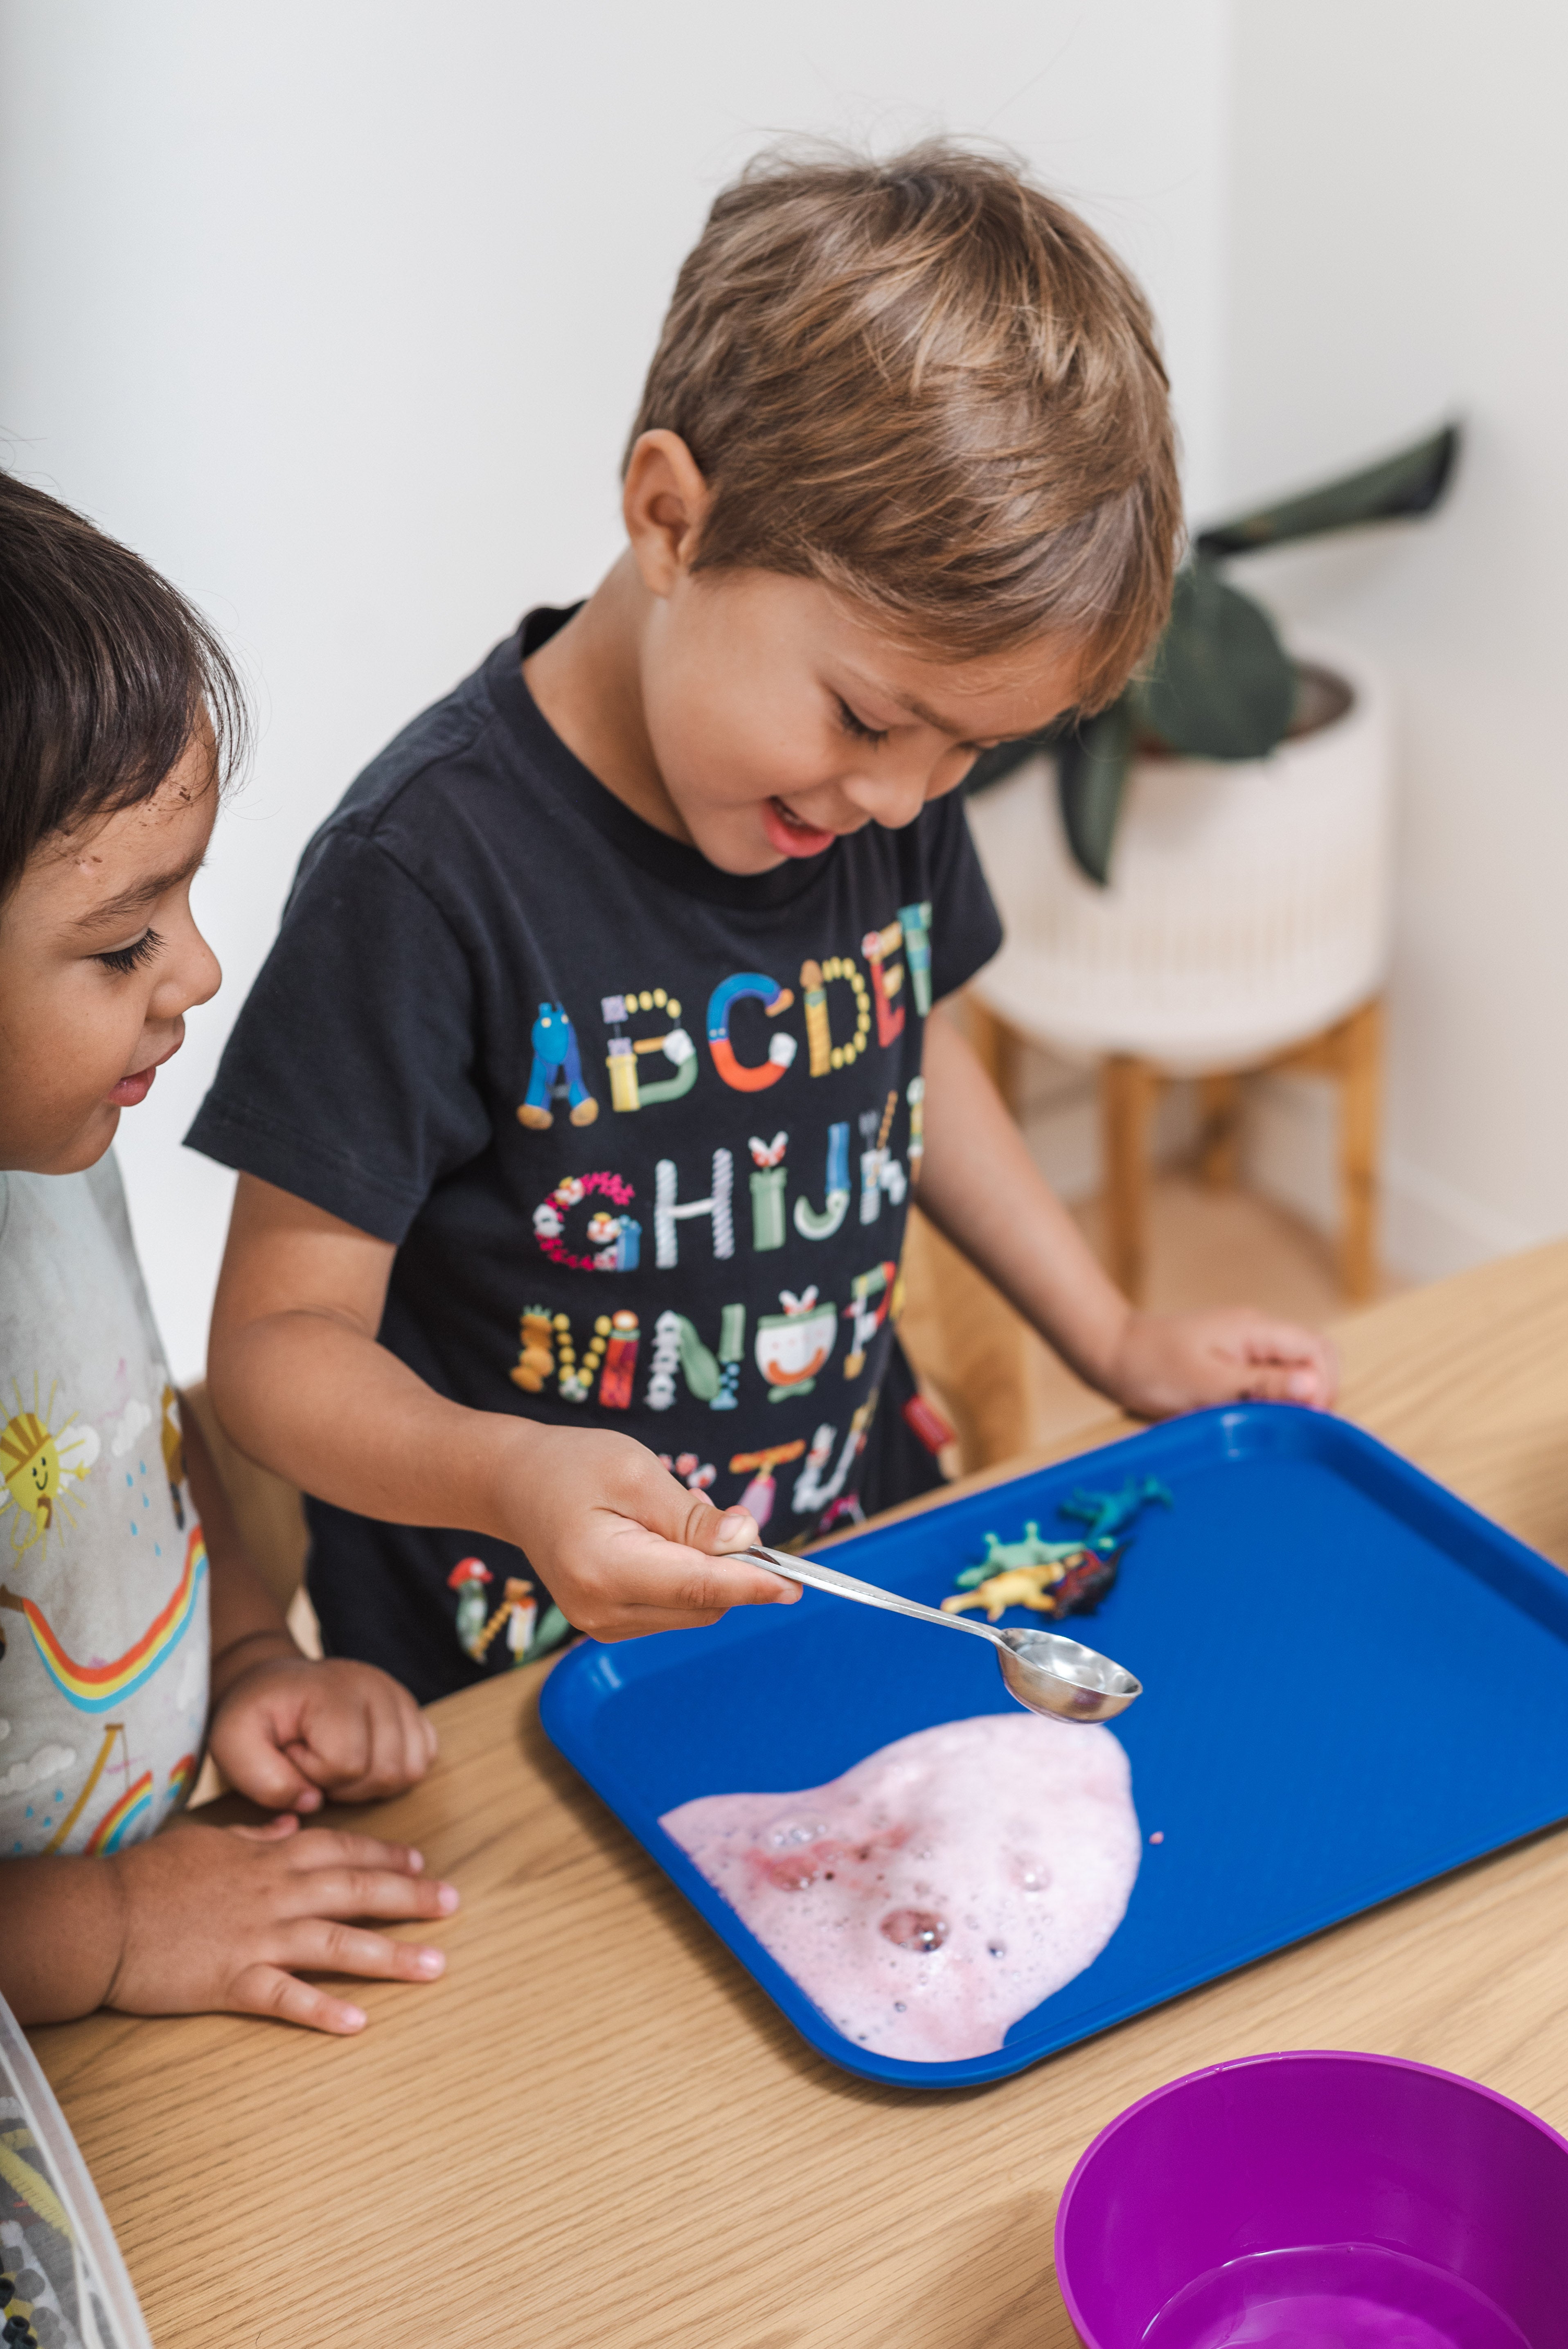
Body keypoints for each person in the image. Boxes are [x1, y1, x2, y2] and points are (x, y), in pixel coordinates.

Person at [193, 144, 1336, 1707]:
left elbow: (907, 1050)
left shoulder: (882, 800)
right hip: (519, 1669)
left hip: (841, 1582)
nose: (906, 797)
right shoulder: (425, 876)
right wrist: (513, 1475)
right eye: (871, 716)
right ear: (672, 520)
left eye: (972, 753)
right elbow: (272, 1350)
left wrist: (1114, 1335)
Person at [0, 471, 458, 2032]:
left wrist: (258, 1651)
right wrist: (116, 1929)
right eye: (123, 939)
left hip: (165, 1863)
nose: (196, 967)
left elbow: (131, 1442)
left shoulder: (51, 1157)